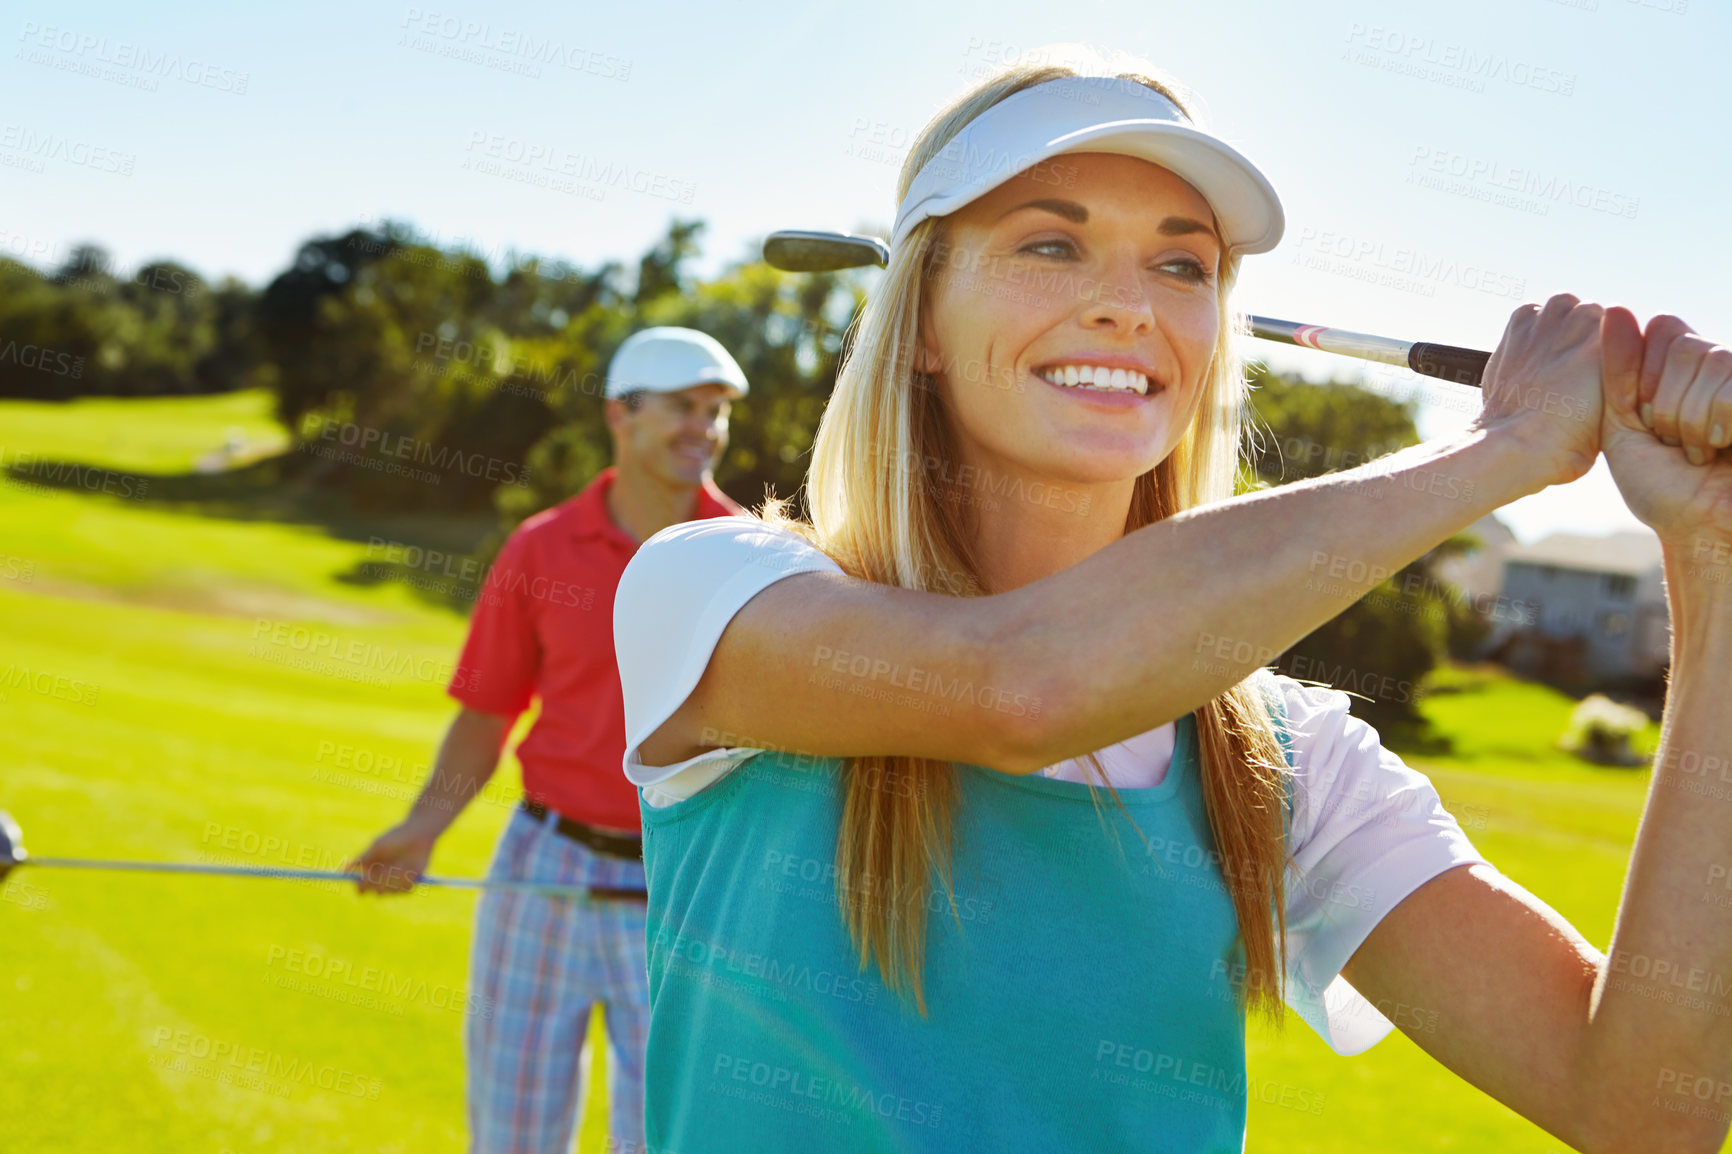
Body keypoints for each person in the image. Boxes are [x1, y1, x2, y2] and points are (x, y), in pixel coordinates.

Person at [611, 54, 1732, 1154]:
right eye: (1050, 245)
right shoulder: (711, 588)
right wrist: (1504, 450)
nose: (1125, 306)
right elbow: (1025, 686)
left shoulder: (1285, 755)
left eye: (1182, 267)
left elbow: (1643, 1108)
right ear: (917, 329)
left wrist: (1712, 552)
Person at [350, 326, 749, 1154]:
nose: (703, 429)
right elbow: (486, 714)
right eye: (683, 407)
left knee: (666, 1137)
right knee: (512, 1133)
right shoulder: (540, 547)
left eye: (715, 412)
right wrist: (423, 829)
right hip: (543, 864)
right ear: (622, 414)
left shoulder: (750, 555)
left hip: (682, 881)